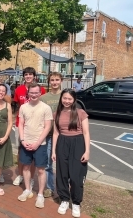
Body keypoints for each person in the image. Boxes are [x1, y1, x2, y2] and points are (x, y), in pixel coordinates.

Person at [52, 89, 90, 217]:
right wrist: (53, 151)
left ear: (74, 100)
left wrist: (87, 151)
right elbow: (56, 133)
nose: (66, 101)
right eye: (64, 98)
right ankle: (64, 199)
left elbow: (86, 133)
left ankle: (76, 203)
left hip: (78, 143)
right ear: (61, 98)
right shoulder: (56, 113)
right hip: (62, 143)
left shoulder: (80, 113)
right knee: (62, 174)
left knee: (76, 176)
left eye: (69, 99)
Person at [17, 83, 52, 209]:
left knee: (41, 170)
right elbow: (20, 124)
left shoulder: (46, 108)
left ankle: (41, 194)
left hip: (40, 143)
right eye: (31, 92)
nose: (34, 95)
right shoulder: (23, 107)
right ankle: (27, 189)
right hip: (26, 141)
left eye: (36, 92)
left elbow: (48, 127)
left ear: (40, 93)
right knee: (26, 167)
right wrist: (22, 139)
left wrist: (37, 142)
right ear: (28, 93)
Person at [13, 67, 46, 188]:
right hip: (20, 125)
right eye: (26, 74)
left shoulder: (41, 89)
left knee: (32, 151)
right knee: (21, 151)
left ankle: (31, 178)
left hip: (35, 126)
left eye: (30, 74)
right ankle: (21, 174)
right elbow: (16, 106)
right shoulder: (19, 90)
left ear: (34, 76)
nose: (28, 76)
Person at [40, 72, 63, 198]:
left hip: (63, 135)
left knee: (62, 164)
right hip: (49, 135)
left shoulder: (65, 95)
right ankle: (50, 187)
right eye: (52, 80)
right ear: (49, 81)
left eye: (57, 80)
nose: (54, 82)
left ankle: (62, 189)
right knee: (48, 164)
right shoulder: (44, 98)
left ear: (61, 81)